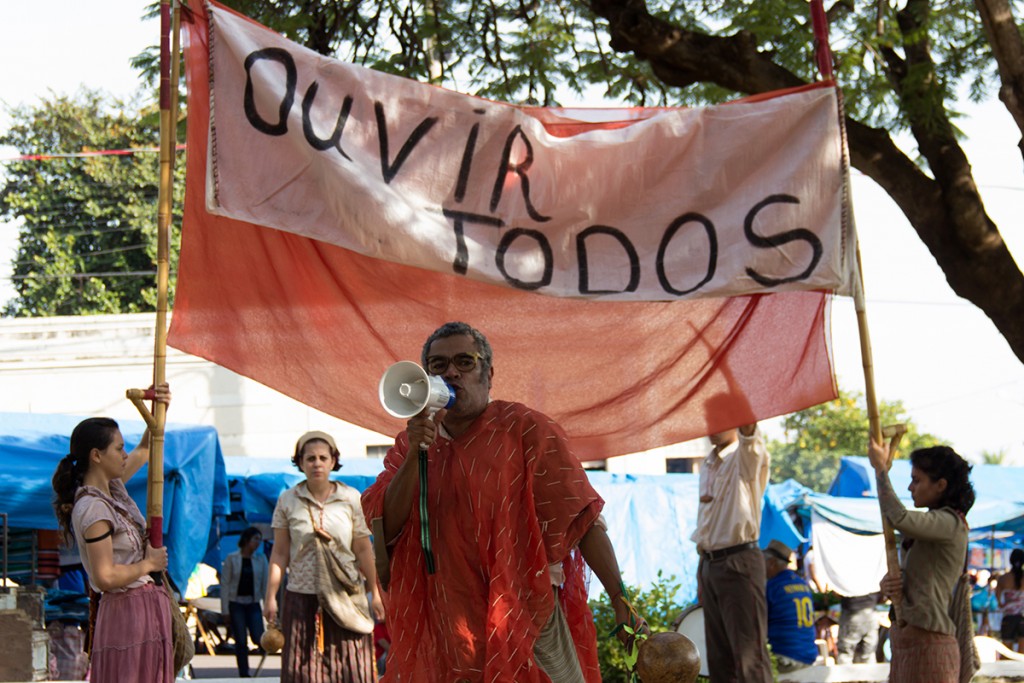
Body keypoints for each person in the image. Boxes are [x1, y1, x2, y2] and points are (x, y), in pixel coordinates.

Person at [361, 321, 645, 682]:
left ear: (488, 374)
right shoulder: (410, 444)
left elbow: (582, 517)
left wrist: (621, 599)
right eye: (438, 365)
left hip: (526, 614)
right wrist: (419, 449)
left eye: (465, 362)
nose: (451, 372)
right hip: (448, 626)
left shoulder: (526, 430)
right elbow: (386, 519)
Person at [50, 384, 173, 682]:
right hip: (126, 613)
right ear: (96, 455)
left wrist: (160, 409)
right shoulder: (92, 508)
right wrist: (148, 564)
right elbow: (104, 577)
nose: (124, 453)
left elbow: (146, 449)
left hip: (145, 608)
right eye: (118, 448)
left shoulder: (113, 489)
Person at [263, 431, 385, 683]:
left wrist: (376, 592)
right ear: (300, 463)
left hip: (347, 595)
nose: (316, 463)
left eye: (322, 457)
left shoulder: (351, 497)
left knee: (352, 669)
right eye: (310, 458)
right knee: (303, 672)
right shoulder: (287, 500)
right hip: (302, 596)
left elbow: (363, 549)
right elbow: (280, 553)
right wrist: (270, 597)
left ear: (332, 461)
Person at [868, 438, 976, 683]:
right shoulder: (929, 529)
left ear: (941, 485)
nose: (910, 488)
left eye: (917, 480)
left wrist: (881, 470)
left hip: (931, 644)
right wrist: (891, 585)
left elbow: (898, 517)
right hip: (908, 642)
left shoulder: (950, 523)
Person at [691, 402, 773, 683]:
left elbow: (750, 432)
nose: (712, 428)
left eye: (722, 419)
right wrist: (703, 569)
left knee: (750, 658)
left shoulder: (745, 457)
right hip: (710, 563)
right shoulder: (709, 462)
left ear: (737, 421)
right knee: (718, 660)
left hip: (739, 562)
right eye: (710, 420)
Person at [763, 539, 820, 672]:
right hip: (809, 655)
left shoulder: (772, 587)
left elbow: (759, 624)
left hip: (785, 657)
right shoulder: (802, 584)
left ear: (771, 563)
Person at [221, 526, 269, 677]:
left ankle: (263, 661)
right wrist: (225, 610)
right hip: (236, 603)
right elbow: (225, 585)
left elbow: (266, 583)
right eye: (255, 539)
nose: (258, 543)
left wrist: (267, 603)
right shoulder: (231, 558)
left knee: (258, 636)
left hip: (253, 602)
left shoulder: (261, 560)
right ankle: (244, 672)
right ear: (247, 540)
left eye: (259, 540)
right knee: (240, 639)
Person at [835, 592, 880, 664]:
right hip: (870, 614)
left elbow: (837, 592)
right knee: (869, 654)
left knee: (845, 655)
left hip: (851, 614)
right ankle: (870, 674)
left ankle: (845, 674)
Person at [997, 548, 1024, 651]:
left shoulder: (1003, 578)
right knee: (1022, 656)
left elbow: (999, 602)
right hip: (1022, 617)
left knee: (1006, 653)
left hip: (1008, 618)